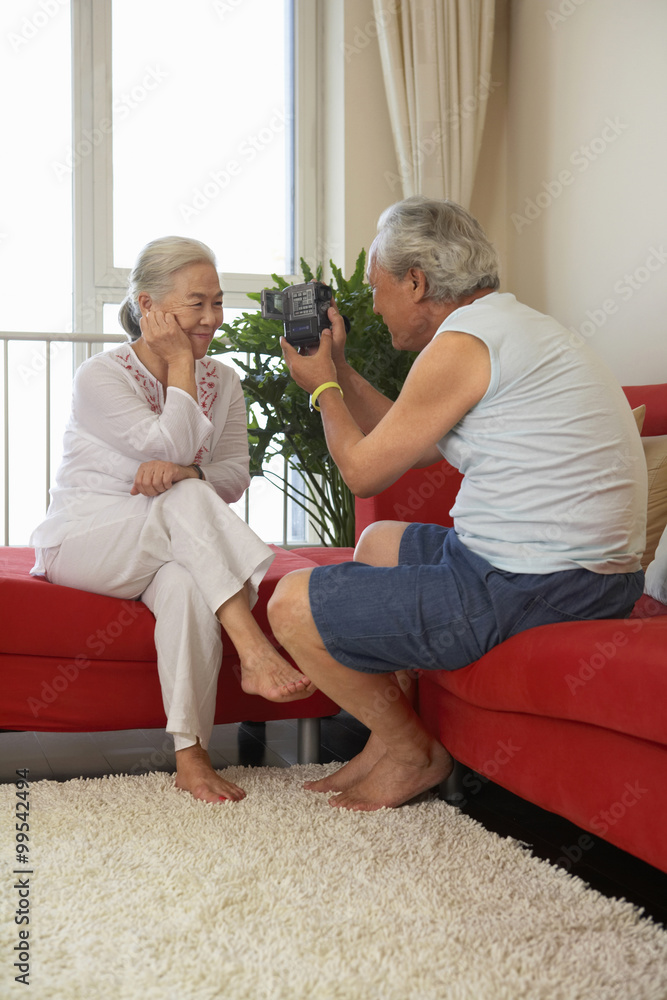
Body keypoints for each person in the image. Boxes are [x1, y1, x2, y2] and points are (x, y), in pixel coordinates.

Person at [267, 196, 647, 812]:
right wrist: (339, 366)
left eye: (377, 287)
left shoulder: (464, 343)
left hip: (537, 582)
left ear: (415, 281)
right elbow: (407, 445)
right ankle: (390, 744)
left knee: (292, 608)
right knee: (377, 542)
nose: (372, 302)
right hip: (577, 575)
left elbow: (363, 472)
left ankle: (415, 754)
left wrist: (324, 390)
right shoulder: (504, 326)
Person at [30, 236, 313, 804]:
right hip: (85, 540)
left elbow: (234, 475)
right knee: (182, 501)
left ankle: (191, 757)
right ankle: (253, 650)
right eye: (196, 303)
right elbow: (176, 440)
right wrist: (184, 363)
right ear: (149, 307)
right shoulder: (100, 376)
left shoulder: (225, 381)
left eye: (217, 301)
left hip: (168, 546)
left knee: (187, 580)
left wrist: (190, 475)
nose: (211, 318)